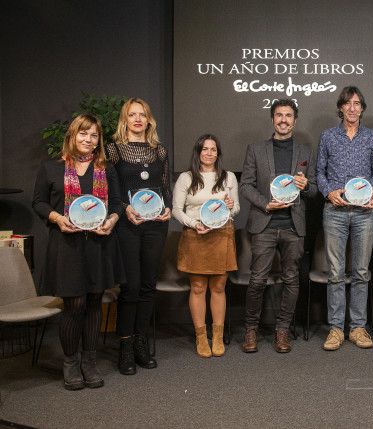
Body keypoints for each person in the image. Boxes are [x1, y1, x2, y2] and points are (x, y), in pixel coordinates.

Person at [32, 114, 122, 390]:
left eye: (94, 135)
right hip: (67, 246)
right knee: (75, 305)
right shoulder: (52, 167)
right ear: (72, 135)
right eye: (83, 134)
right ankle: (70, 362)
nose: (88, 139)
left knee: (95, 302)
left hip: (98, 244)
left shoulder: (105, 169)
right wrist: (58, 219)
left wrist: (111, 221)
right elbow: (38, 202)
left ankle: (89, 362)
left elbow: (117, 202)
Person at [239, 99, 318, 353]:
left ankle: (282, 330)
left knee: (291, 279)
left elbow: (314, 189)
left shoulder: (305, 153)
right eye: (278, 115)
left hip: (293, 226)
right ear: (272, 119)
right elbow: (245, 186)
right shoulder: (255, 149)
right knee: (257, 280)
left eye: (288, 115)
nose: (283, 119)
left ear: (295, 120)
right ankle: (251, 329)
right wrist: (266, 204)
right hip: (264, 224)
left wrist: (306, 187)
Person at [106, 98, 171, 375]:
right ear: (125, 119)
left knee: (147, 286)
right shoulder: (113, 150)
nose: (137, 119)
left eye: (142, 115)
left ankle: (141, 343)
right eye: (132, 115)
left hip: (155, 225)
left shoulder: (159, 151)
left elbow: (165, 186)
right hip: (127, 225)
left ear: (148, 119)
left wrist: (167, 208)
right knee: (130, 287)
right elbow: (109, 190)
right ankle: (126, 346)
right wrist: (124, 208)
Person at [316, 86, 373, 351]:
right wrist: (329, 191)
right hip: (335, 212)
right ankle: (335, 329)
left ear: (362, 107)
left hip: (365, 213)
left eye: (357, 103)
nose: (352, 108)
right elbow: (319, 172)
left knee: (362, 272)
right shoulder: (328, 137)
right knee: (335, 273)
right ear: (340, 107)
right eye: (347, 103)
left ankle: (357, 327)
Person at [173, 134, 239, 357]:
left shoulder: (228, 177)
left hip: (222, 234)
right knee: (198, 288)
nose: (209, 153)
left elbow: (236, 208)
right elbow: (176, 210)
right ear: (198, 152)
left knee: (218, 288)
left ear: (218, 153)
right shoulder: (185, 178)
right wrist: (194, 224)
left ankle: (217, 337)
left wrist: (230, 206)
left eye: (213, 149)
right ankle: (201, 337)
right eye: (205, 149)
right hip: (196, 235)